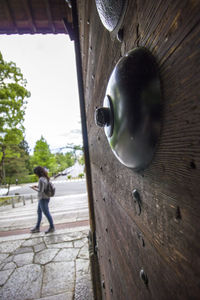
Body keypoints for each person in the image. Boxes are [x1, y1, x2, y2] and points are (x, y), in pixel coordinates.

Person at [30, 166, 55, 234]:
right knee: (39, 212)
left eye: (35, 173)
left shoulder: (41, 179)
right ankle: (37, 227)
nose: (35, 175)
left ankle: (52, 227)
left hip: (43, 198)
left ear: (37, 173)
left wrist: (33, 188)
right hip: (45, 197)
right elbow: (44, 187)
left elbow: (40, 190)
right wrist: (37, 186)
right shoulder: (45, 177)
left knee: (46, 213)